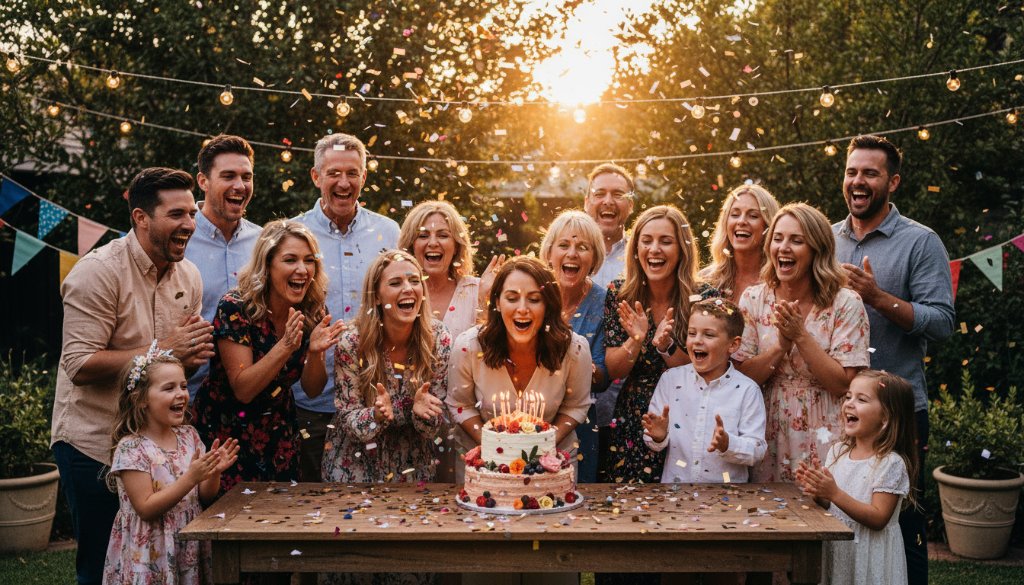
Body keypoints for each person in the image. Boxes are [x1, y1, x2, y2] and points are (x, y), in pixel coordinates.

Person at [52, 167, 213, 585]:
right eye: (176, 214)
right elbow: (79, 364)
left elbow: (172, 366)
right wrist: (164, 347)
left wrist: (190, 358)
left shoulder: (189, 276)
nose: (189, 224)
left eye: (191, 214)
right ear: (141, 218)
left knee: (160, 558)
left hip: (158, 449)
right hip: (94, 442)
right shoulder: (97, 272)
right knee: (103, 565)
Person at [832, 135, 954, 585]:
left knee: (905, 529)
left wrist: (877, 297)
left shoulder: (920, 242)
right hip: (839, 406)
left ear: (893, 182)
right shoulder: (827, 240)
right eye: (852, 172)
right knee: (837, 521)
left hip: (899, 413)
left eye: (870, 173)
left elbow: (942, 323)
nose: (858, 181)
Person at [192, 220, 345, 493]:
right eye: (290, 260)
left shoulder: (312, 308)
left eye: (309, 260)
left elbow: (312, 390)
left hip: (279, 434)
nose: (302, 269)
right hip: (227, 436)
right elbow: (243, 389)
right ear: (267, 264)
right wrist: (285, 346)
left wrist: (315, 353)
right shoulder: (236, 307)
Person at [735, 203, 870, 482]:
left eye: (797, 240)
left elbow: (843, 384)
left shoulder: (845, 302)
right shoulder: (753, 299)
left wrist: (800, 336)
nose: (783, 248)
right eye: (778, 238)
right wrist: (780, 347)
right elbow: (741, 378)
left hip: (828, 432)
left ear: (817, 250)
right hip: (767, 429)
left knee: (823, 507)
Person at [291, 132, 400, 481]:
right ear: (316, 176)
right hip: (312, 403)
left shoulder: (389, 233)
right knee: (310, 504)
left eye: (352, 173)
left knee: (376, 505)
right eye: (334, 173)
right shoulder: (292, 234)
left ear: (363, 177)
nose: (343, 182)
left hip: (374, 401)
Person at [642, 299, 765, 585]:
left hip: (727, 507)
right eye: (692, 333)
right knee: (675, 575)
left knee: (723, 575)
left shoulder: (746, 391)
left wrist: (728, 444)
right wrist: (658, 435)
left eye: (709, 334)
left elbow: (757, 448)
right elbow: (653, 438)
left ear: (733, 345)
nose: (697, 340)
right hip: (676, 500)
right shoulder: (671, 380)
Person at [103, 347, 240, 585]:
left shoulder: (189, 436)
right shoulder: (132, 448)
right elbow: (146, 508)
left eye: (183, 386)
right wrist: (191, 478)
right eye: (169, 388)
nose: (181, 394)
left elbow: (204, 496)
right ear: (141, 399)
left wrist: (213, 472)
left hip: (189, 541)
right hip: (150, 550)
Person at [599, 205, 715, 485]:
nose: (655, 249)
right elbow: (614, 370)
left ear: (682, 249)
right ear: (636, 248)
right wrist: (635, 341)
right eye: (647, 240)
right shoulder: (620, 293)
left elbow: (708, 369)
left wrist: (667, 347)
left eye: (666, 241)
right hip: (637, 417)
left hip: (690, 412)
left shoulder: (704, 296)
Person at [322, 249, 452, 485]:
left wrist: (423, 414)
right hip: (355, 467)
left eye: (414, 281)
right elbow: (348, 417)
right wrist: (376, 415)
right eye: (395, 283)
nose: (408, 288)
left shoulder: (438, 338)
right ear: (377, 297)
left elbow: (433, 427)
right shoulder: (352, 342)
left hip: (413, 468)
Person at [446, 256, 593, 459]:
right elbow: (460, 405)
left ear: (548, 304)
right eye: (512, 298)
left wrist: (542, 446)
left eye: (534, 299)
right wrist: (499, 449)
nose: (522, 309)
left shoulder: (574, 350)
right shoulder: (468, 347)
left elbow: (576, 406)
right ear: (497, 302)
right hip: (484, 461)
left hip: (551, 461)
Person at [397, 200, 501, 482]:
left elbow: (489, 358)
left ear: (456, 245)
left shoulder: (477, 290)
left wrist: (485, 304)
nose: (433, 242)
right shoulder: (398, 293)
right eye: (423, 235)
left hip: (464, 425)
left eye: (443, 235)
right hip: (408, 424)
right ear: (410, 245)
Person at [796, 370, 917, 585]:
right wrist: (819, 492)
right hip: (839, 548)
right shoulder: (838, 451)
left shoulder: (890, 463)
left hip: (870, 554)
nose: (849, 404)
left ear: (885, 417)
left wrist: (834, 493)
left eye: (861, 399)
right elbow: (831, 505)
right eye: (849, 396)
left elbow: (878, 518)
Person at [185, 134, 261, 400]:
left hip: (252, 399)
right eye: (228, 176)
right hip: (187, 396)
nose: (240, 185)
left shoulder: (263, 243)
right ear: (203, 181)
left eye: (246, 177)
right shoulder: (178, 238)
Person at [539, 210, 610, 483]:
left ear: (594, 258)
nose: (572, 254)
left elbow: (602, 377)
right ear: (549, 253)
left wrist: (581, 369)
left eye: (582, 247)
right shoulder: (534, 294)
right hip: (530, 418)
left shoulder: (604, 302)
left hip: (579, 424)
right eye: (564, 245)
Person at [583, 164, 635, 473]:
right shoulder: (565, 253)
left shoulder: (641, 256)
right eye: (599, 193)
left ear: (631, 204)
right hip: (573, 408)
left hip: (627, 406)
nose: (608, 201)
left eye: (618, 194)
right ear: (586, 201)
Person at [701, 184, 780, 302]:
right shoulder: (705, 280)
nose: (741, 221)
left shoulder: (780, 283)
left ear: (768, 225)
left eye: (753, 216)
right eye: (735, 214)